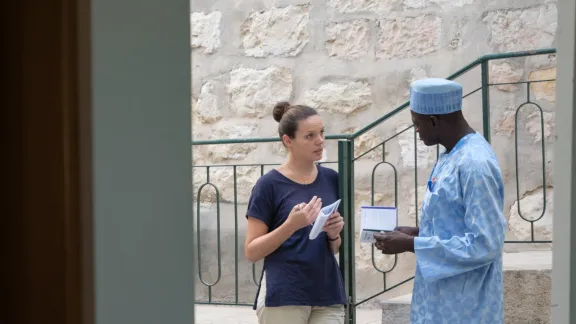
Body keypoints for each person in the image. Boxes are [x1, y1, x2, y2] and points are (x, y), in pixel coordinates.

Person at [374, 78, 507, 323]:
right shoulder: (451, 155)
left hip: (465, 308)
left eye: (417, 124)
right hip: (437, 305)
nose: (416, 130)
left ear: (433, 120)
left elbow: (485, 244)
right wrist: (416, 234)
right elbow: (454, 223)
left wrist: (411, 245)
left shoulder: (474, 163)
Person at [244, 102, 347, 324]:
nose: (320, 140)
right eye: (310, 136)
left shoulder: (332, 179)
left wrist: (334, 233)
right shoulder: (268, 185)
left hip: (327, 293)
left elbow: (334, 247)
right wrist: (291, 225)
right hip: (285, 295)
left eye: (321, 133)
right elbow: (251, 251)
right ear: (287, 141)